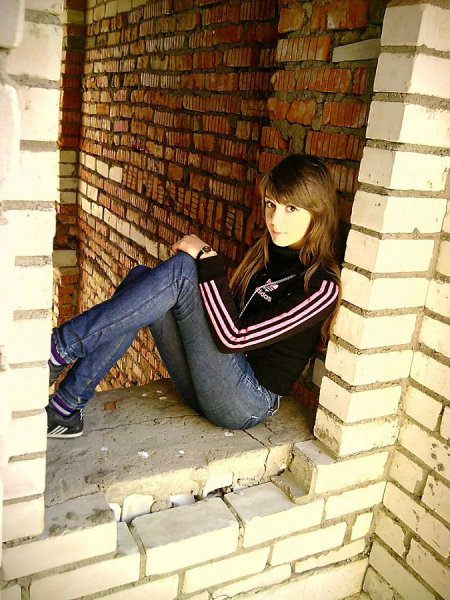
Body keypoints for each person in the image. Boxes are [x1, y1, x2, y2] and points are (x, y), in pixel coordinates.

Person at [47, 154, 341, 438]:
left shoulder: (321, 287)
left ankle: (61, 347)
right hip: (210, 383)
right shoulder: (266, 255)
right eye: (271, 204)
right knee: (141, 279)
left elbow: (234, 338)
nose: (275, 219)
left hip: (247, 403)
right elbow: (225, 320)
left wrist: (207, 259)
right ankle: (65, 407)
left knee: (185, 269)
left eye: (291, 209)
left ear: (318, 212)